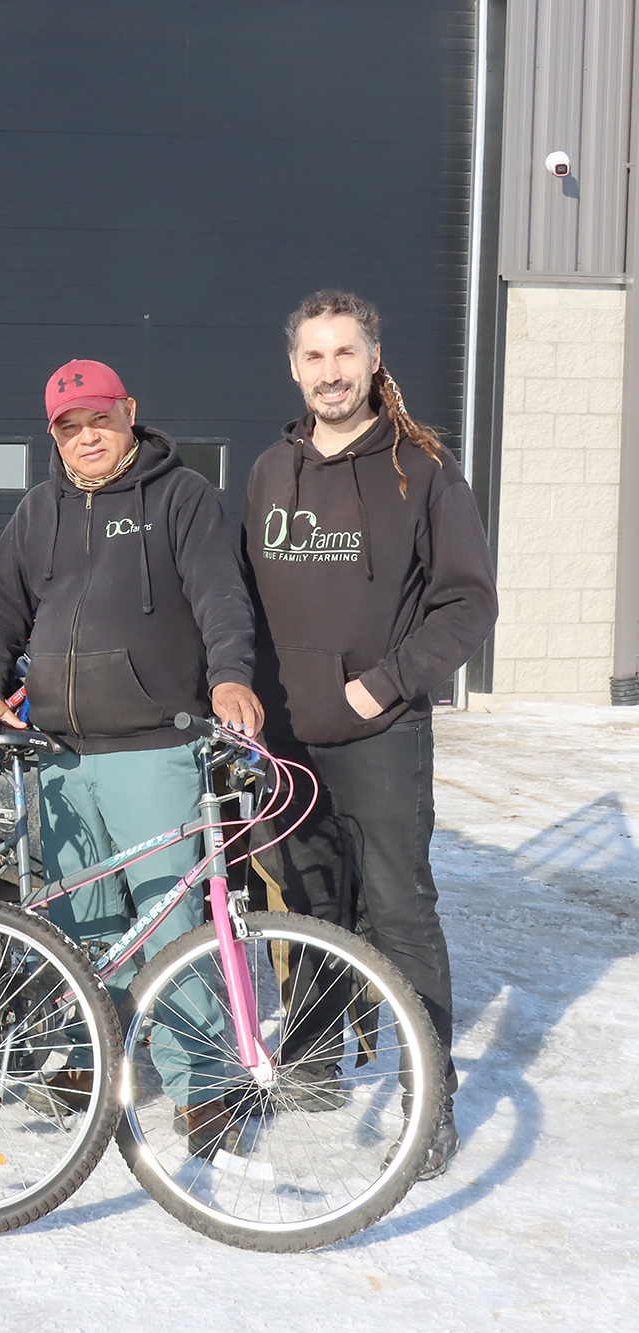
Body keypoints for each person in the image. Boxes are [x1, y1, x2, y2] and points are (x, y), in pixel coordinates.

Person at [0, 359, 263, 1156]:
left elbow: (220, 596)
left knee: (171, 925)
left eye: (99, 419)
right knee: (79, 926)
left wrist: (231, 677)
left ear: (128, 412)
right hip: (58, 755)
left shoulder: (182, 497)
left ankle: (205, 1087)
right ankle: (94, 1055)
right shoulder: (36, 512)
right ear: (53, 435)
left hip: (154, 745)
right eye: (68, 426)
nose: (86, 437)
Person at [242, 290, 498, 1179]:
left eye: (345, 354)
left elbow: (469, 601)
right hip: (285, 740)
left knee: (399, 912)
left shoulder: (422, 469)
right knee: (308, 903)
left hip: (380, 733)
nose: (330, 372)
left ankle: (431, 1099)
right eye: (314, 357)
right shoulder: (272, 470)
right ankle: (312, 1058)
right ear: (294, 367)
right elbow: (239, 599)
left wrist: (381, 685)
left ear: (373, 361)